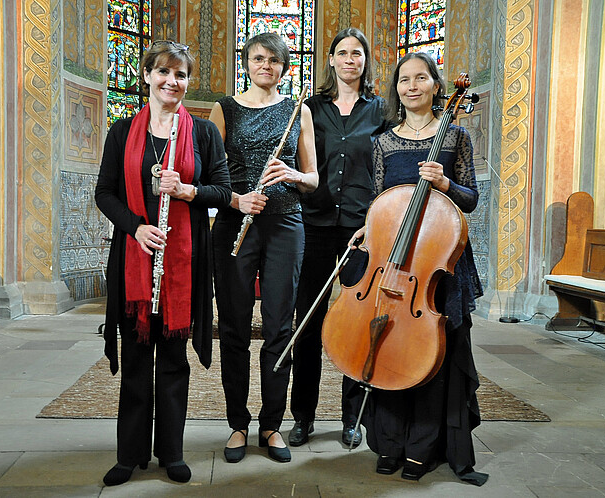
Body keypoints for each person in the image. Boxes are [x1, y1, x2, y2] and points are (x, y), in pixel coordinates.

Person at [95, 40, 231, 486]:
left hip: (184, 264)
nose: (173, 82)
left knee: (173, 358)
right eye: (164, 72)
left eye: (181, 75)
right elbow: (105, 193)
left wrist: (188, 190)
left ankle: (171, 451)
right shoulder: (122, 132)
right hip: (134, 261)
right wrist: (136, 228)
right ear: (147, 76)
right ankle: (129, 453)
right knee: (136, 356)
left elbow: (223, 192)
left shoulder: (204, 133)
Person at [351, 52, 488, 486]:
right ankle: (390, 443)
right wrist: (365, 232)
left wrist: (446, 183)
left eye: (421, 78)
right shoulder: (383, 142)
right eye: (403, 80)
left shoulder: (455, 137)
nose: (411, 86)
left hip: (437, 263)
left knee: (434, 354)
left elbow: (470, 199)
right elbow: (378, 204)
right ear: (396, 88)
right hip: (392, 261)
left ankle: (425, 448)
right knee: (389, 348)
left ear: (435, 85)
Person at [209, 32, 318, 464]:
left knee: (279, 328)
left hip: (286, 225)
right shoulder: (224, 109)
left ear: (284, 67)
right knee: (234, 326)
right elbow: (210, 180)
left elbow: (313, 180)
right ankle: (238, 424)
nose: (265, 66)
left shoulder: (299, 110)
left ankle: (272, 424)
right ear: (246, 63)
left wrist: (290, 174)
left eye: (274, 60)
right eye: (257, 58)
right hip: (238, 222)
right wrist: (236, 199)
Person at [289, 27, 391, 449]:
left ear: (365, 61)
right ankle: (303, 416)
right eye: (342, 53)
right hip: (313, 225)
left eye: (358, 53)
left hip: (362, 230)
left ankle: (354, 419)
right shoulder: (310, 108)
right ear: (329, 59)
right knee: (307, 322)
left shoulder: (382, 110)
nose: (350, 59)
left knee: (358, 322)